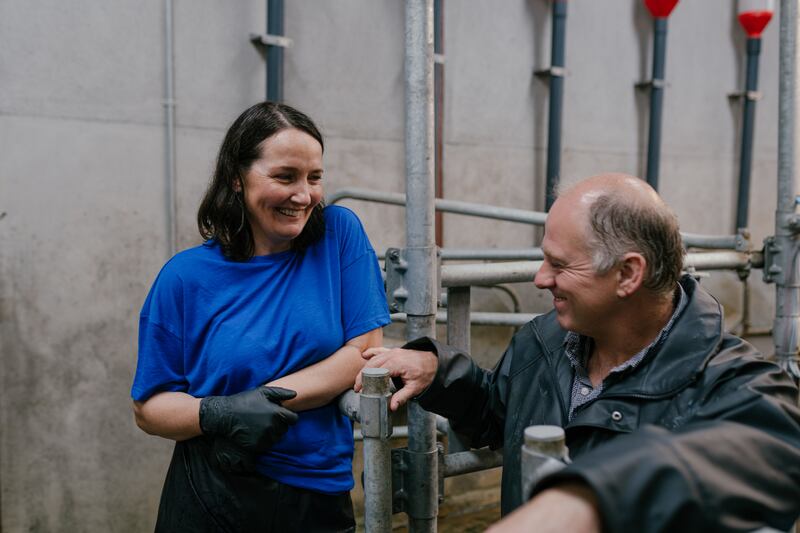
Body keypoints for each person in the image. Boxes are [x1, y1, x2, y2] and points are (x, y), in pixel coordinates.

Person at [357, 173, 800, 532]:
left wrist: (592, 497)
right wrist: (439, 370)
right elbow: (501, 414)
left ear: (628, 273)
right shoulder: (542, 340)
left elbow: (779, 447)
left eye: (560, 264)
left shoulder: (733, 381)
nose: (540, 278)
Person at [131, 102, 390, 532]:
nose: (303, 195)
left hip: (316, 493)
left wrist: (265, 397)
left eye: (314, 177)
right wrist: (220, 413)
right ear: (237, 177)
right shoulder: (185, 277)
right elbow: (149, 408)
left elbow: (364, 351)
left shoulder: (338, 236)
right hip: (213, 489)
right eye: (284, 177)